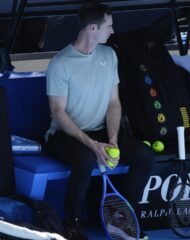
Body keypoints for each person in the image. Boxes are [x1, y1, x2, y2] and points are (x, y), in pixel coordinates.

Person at [45, 2, 154, 240]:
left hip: (102, 131)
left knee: (145, 156)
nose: (112, 31)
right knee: (85, 160)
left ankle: (124, 220)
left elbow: (113, 102)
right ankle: (71, 225)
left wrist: (113, 139)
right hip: (64, 135)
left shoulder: (109, 54)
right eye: (109, 26)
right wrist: (93, 146)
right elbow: (58, 112)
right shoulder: (60, 63)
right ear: (93, 28)